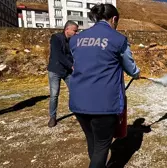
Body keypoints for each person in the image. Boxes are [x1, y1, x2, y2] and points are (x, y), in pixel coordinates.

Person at [69, 3, 140, 168]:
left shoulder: (76, 40)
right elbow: (130, 67)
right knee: (102, 146)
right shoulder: (118, 39)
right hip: (104, 105)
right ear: (114, 19)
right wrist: (136, 73)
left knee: (92, 141)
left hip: (78, 102)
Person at [47, 21, 78, 127]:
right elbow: (58, 55)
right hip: (55, 70)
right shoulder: (56, 38)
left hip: (67, 71)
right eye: (74, 30)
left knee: (74, 91)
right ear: (67, 29)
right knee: (54, 95)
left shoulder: (72, 41)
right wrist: (71, 65)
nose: (75, 32)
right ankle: (52, 117)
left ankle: (77, 112)